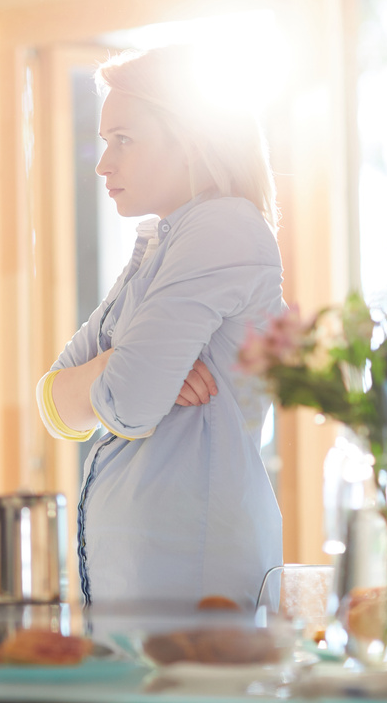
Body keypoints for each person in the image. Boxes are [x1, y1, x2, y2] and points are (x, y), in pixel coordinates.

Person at [35, 45, 284, 609]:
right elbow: (53, 405)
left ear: (192, 136)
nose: (103, 163)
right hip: (147, 583)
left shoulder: (222, 229)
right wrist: (115, 367)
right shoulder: (159, 243)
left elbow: (128, 400)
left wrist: (117, 376)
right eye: (104, 142)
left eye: (123, 139)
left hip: (191, 581)